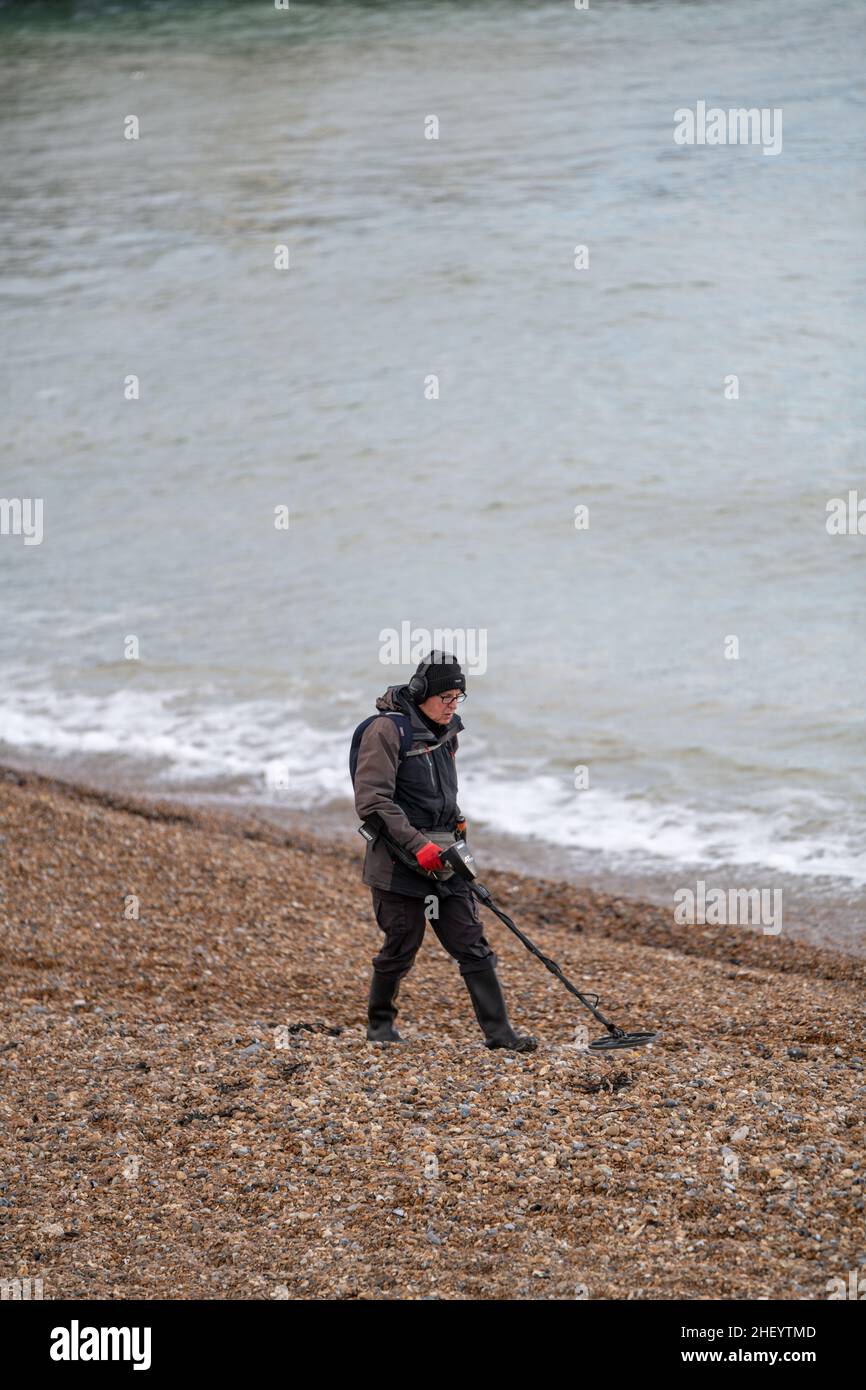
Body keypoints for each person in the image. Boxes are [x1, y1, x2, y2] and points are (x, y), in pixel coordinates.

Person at [352, 650, 537, 1051]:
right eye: (446, 697)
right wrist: (417, 846)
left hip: (445, 857)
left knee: (472, 942)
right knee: (401, 945)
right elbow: (373, 801)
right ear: (421, 692)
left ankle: (500, 1035)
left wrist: (458, 829)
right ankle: (380, 1026)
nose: (452, 706)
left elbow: (443, 794)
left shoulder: (445, 733)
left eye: (459, 698)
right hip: (398, 862)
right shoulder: (386, 731)